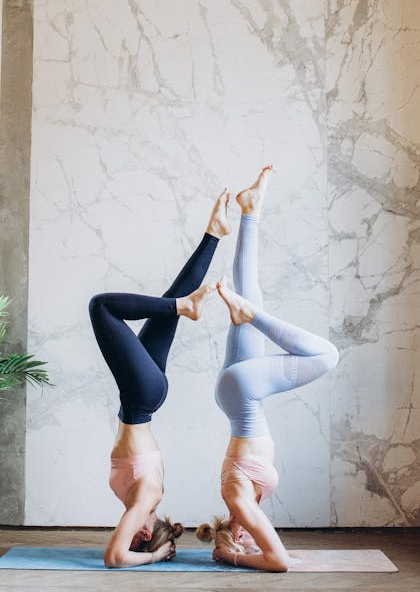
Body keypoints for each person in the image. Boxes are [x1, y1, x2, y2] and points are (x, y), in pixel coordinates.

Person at [196, 165, 339, 572]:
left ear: (235, 536)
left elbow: (277, 563)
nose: (254, 538)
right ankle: (251, 210)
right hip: (236, 395)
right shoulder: (240, 501)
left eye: (245, 539)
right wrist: (239, 548)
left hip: (243, 393)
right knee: (247, 289)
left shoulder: (238, 501)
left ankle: (250, 313)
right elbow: (277, 553)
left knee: (326, 356)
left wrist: (232, 556)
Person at [88, 190, 230, 567]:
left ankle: (213, 234)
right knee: (102, 307)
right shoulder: (146, 499)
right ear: (145, 534)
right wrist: (154, 557)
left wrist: (161, 550)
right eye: (135, 537)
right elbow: (114, 559)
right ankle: (185, 305)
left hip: (141, 397)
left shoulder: (142, 500)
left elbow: (120, 548)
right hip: (140, 398)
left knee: (169, 306)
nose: (125, 530)